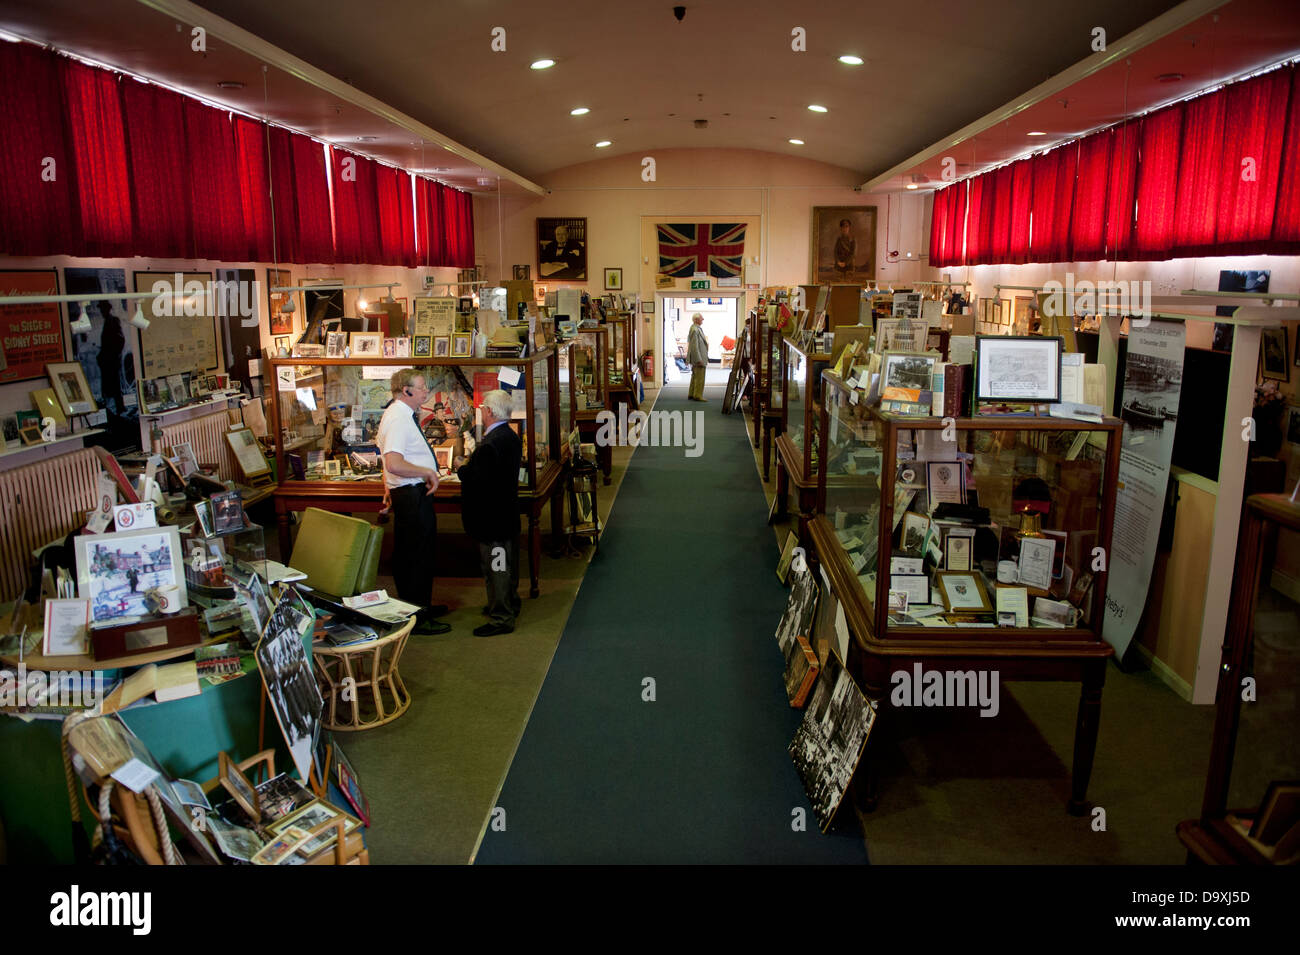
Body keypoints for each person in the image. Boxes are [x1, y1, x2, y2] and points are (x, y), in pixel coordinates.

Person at [376, 369, 450, 635]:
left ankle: (422, 606)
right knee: (416, 557)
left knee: (419, 553)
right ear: (405, 390)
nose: (425, 392)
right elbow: (394, 463)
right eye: (421, 388)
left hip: (410, 493)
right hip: (411, 495)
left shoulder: (401, 415)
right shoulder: (397, 418)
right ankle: (417, 616)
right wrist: (427, 472)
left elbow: (389, 463)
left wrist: (388, 487)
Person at [453, 389, 522, 637]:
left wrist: (462, 468)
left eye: (482, 407)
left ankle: (501, 616)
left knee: (496, 568)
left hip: (492, 521)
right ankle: (508, 603)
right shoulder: (510, 437)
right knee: (506, 564)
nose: (481, 411)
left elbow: (478, 480)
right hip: (506, 515)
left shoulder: (490, 444)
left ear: (490, 411)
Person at [687, 312, 708, 401]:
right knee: (699, 378)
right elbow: (694, 346)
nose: (703, 319)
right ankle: (697, 395)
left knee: (695, 376)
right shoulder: (695, 329)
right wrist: (699, 359)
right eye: (701, 318)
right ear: (696, 320)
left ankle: (692, 394)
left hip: (698, 357)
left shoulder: (696, 328)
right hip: (698, 358)